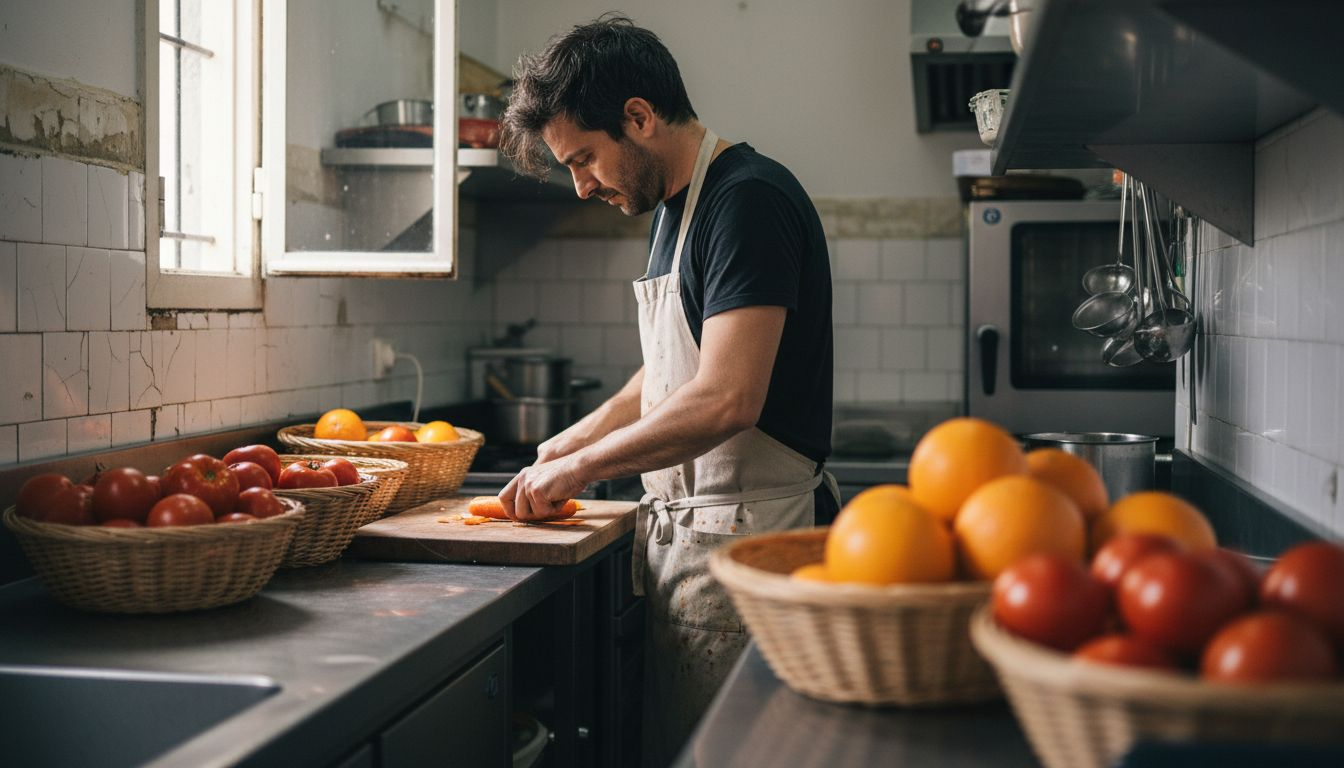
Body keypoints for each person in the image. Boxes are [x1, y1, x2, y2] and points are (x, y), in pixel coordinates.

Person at [498, 14, 837, 766]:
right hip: (697, 547)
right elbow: (668, 371)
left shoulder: (747, 200)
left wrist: (581, 470)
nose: (582, 185)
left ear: (639, 117)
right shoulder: (677, 208)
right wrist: (569, 441)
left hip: (748, 547)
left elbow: (727, 396)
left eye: (584, 159)